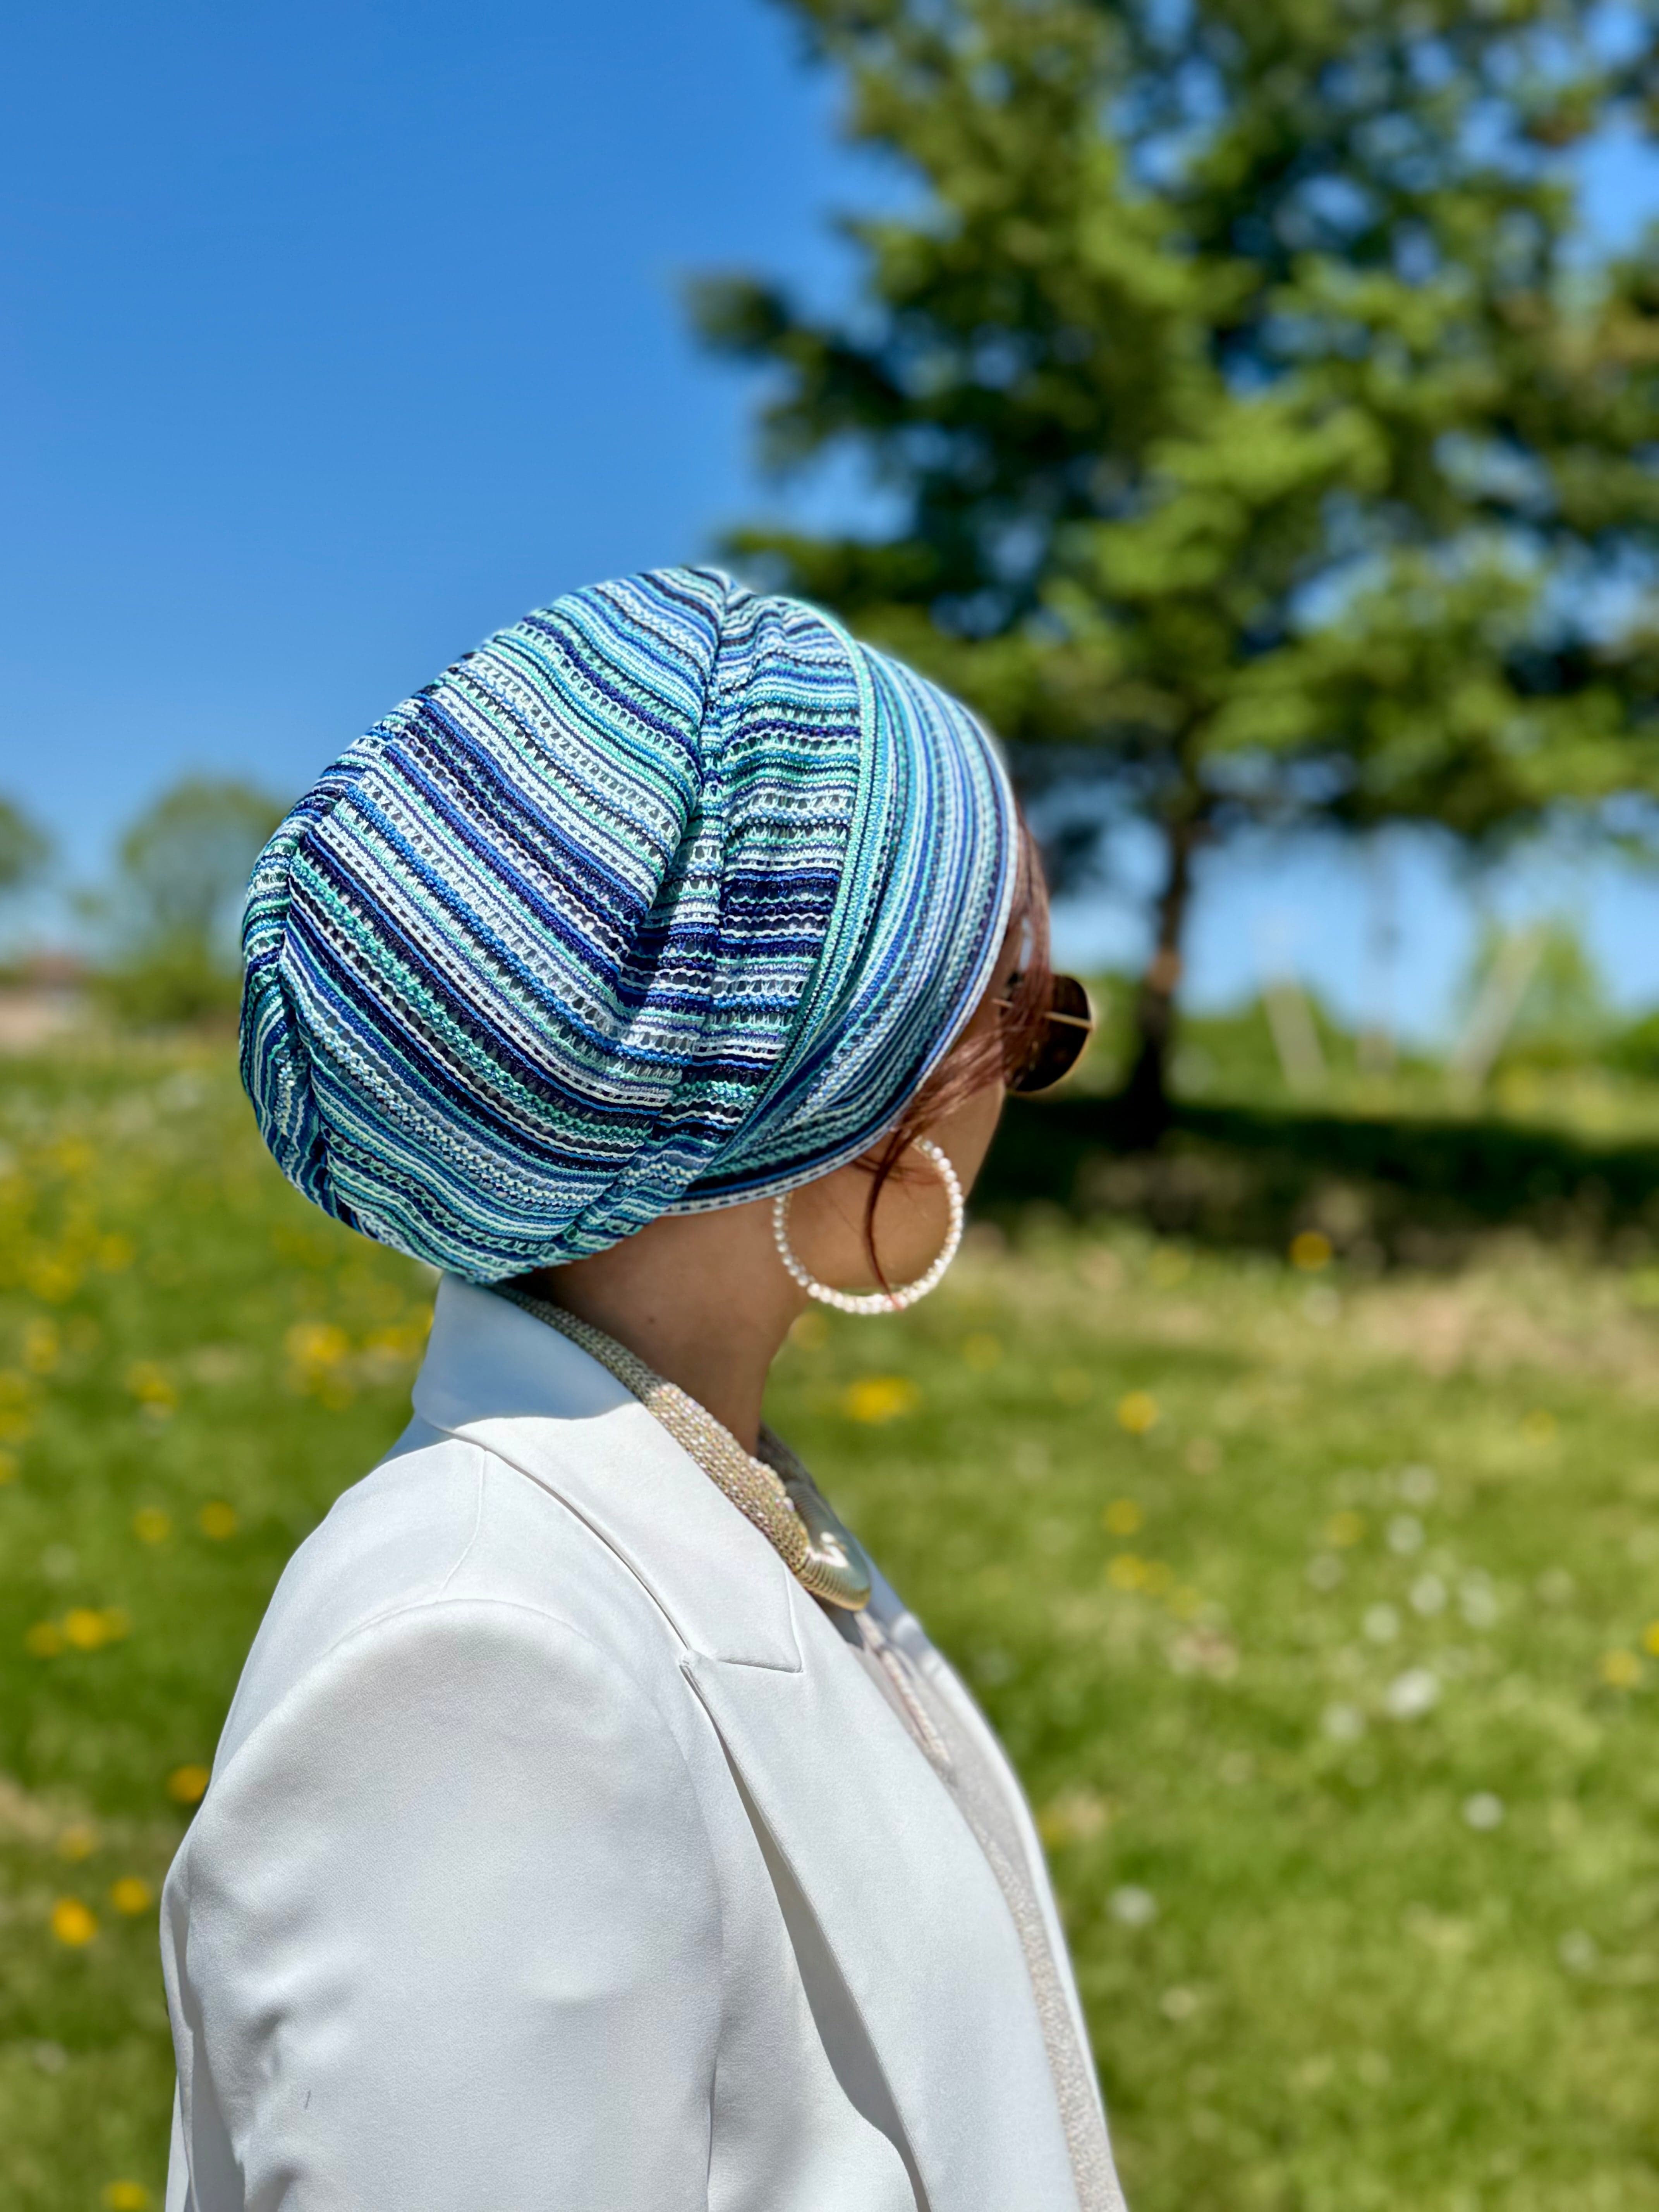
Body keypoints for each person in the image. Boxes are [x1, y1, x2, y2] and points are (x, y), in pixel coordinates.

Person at [160, 567, 1119, 2212]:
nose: (1021, 1079)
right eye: (1016, 1019)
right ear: (837, 1091)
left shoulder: (720, 1505)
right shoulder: (481, 1664)